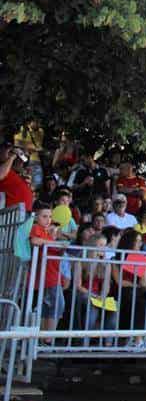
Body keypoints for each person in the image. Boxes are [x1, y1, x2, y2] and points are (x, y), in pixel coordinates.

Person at [29, 203, 69, 338]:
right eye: (44, 216)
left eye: (50, 217)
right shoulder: (36, 228)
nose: (48, 220)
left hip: (53, 275)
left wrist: (59, 243)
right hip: (46, 276)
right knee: (58, 305)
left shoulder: (47, 233)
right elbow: (34, 240)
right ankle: (47, 339)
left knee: (48, 307)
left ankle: (43, 339)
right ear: (36, 218)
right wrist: (55, 243)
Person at [0, 143, 33, 212]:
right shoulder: (4, 169)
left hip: (20, 216)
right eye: (8, 150)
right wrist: (12, 157)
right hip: (10, 216)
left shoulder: (16, 173)